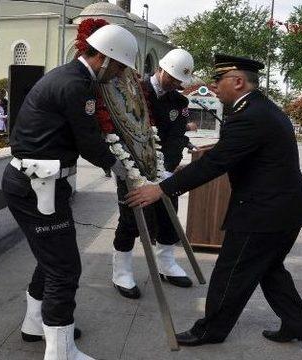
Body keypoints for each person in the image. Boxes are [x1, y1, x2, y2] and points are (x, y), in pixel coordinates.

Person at [126, 54, 302, 346]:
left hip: (263, 214)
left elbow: (214, 165)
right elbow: (234, 152)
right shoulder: (260, 108)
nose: (214, 87)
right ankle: (298, 324)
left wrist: (162, 188)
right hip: (286, 209)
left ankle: (209, 331)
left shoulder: (249, 116)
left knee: (231, 273)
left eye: (219, 81)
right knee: (269, 268)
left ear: (238, 82)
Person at [2, 24, 137, 360]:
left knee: (51, 258)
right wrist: (120, 166)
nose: (119, 74)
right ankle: (61, 352)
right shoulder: (77, 85)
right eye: (119, 67)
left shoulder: (71, 77)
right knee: (65, 269)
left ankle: (36, 324)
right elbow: (88, 139)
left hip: (39, 183)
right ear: (104, 59)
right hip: (38, 187)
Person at [111, 48, 195, 300]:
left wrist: (167, 168)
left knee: (169, 216)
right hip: (133, 167)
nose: (177, 84)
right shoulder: (133, 90)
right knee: (132, 217)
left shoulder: (179, 102)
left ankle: (166, 264)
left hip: (164, 169)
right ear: (161, 69)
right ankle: (121, 271)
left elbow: (177, 136)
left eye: (181, 81)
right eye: (174, 78)